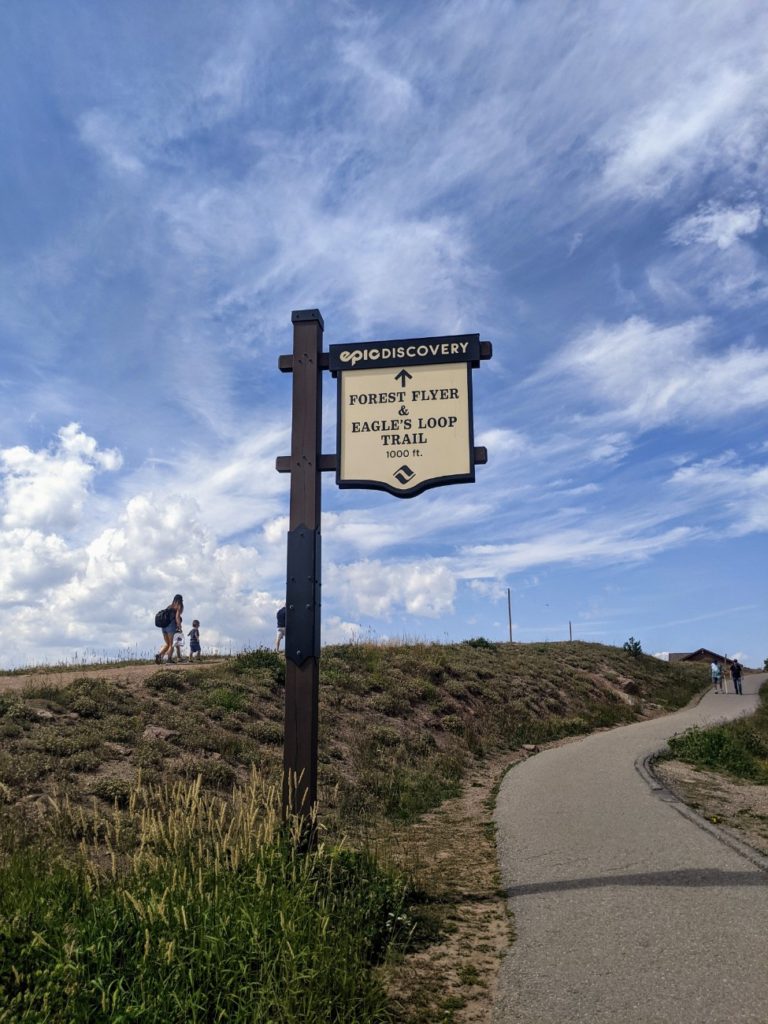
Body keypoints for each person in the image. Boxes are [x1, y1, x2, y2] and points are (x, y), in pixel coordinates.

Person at [156, 594, 183, 663]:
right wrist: (179, 627)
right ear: (180, 600)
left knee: (167, 644)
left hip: (163, 627)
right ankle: (169, 659)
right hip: (171, 627)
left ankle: (159, 655)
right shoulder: (179, 606)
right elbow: (177, 617)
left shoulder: (169, 606)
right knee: (171, 644)